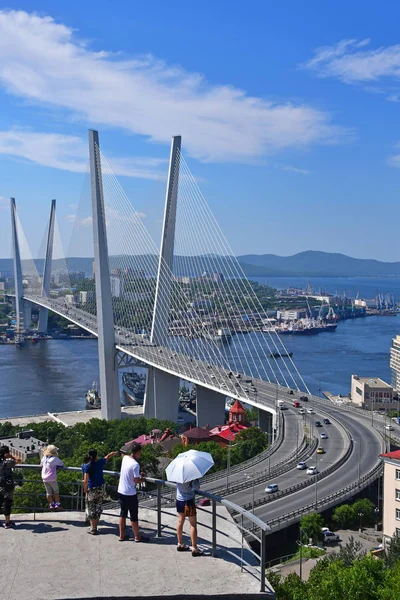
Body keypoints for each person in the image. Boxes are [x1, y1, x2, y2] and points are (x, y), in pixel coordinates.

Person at [82, 448, 119, 535]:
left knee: (91, 508)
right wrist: (112, 453)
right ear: (96, 456)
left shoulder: (87, 466)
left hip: (91, 488)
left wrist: (84, 489)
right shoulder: (100, 462)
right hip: (101, 487)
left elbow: (85, 480)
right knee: (98, 507)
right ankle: (95, 527)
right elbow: (107, 457)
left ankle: (93, 528)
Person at [117, 442, 149, 542]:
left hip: (121, 490)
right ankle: (137, 536)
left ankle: (122, 535)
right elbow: (136, 480)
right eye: (140, 452)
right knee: (133, 515)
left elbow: (123, 454)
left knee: (123, 513)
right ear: (138, 452)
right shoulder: (135, 464)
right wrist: (142, 478)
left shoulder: (125, 458)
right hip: (130, 493)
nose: (141, 454)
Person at [175, 479, 203, 556]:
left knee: (180, 521)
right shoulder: (191, 476)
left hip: (179, 500)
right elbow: (197, 487)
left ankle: (180, 543)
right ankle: (194, 548)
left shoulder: (178, 473)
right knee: (193, 524)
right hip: (188, 501)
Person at [0, 445, 21, 528]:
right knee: (7, 503)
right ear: (6, 453)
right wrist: (11, 456)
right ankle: (7, 522)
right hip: (7, 485)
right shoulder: (7, 463)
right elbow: (19, 460)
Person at [40, 445, 64, 510]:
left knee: (48, 493)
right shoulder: (55, 459)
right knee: (56, 491)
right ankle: (57, 504)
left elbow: (41, 464)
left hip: (44, 478)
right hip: (52, 478)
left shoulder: (44, 458)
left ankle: (51, 504)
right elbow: (62, 464)